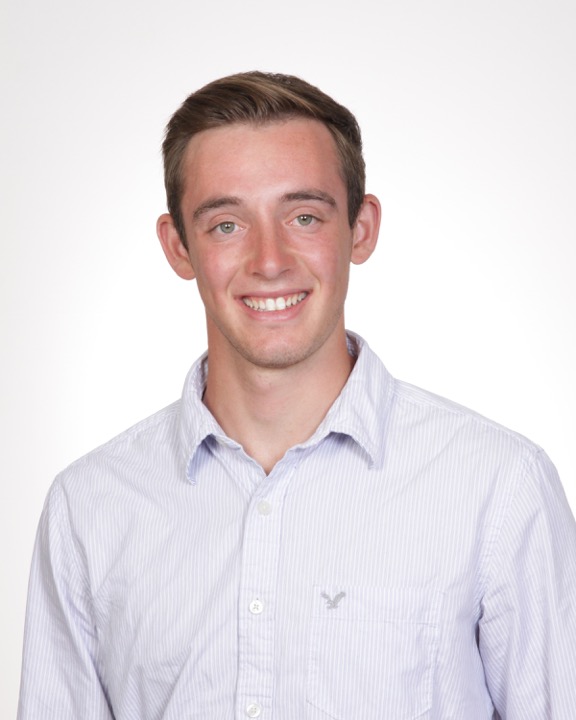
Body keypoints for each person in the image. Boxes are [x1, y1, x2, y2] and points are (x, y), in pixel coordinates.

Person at [18, 71, 576, 719]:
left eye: (304, 217)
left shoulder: (498, 488)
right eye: (227, 224)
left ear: (361, 229)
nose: (270, 260)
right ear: (178, 247)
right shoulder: (89, 509)